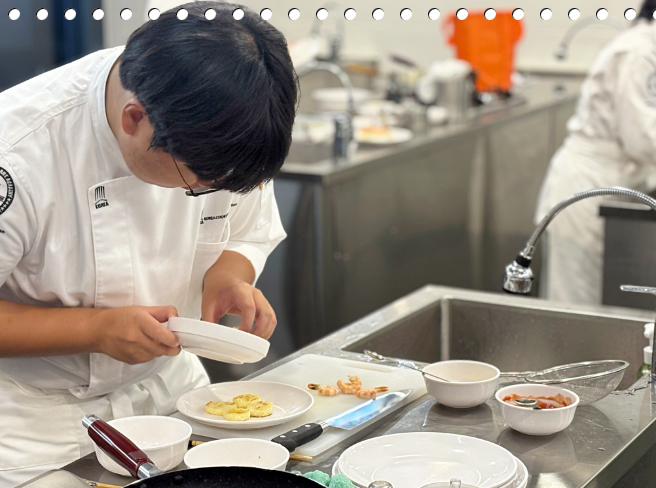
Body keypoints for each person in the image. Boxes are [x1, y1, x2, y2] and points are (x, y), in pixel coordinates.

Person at [0, 2, 297, 485]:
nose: (211, 192)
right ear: (133, 119)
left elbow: (247, 228)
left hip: (170, 394)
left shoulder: (224, 120)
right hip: (34, 424)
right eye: (198, 184)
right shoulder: (17, 151)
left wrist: (228, 276)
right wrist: (95, 330)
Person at [535, 0, 656, 305]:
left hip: (612, 185)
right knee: (576, 306)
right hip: (588, 189)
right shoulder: (641, 53)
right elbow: (643, 139)